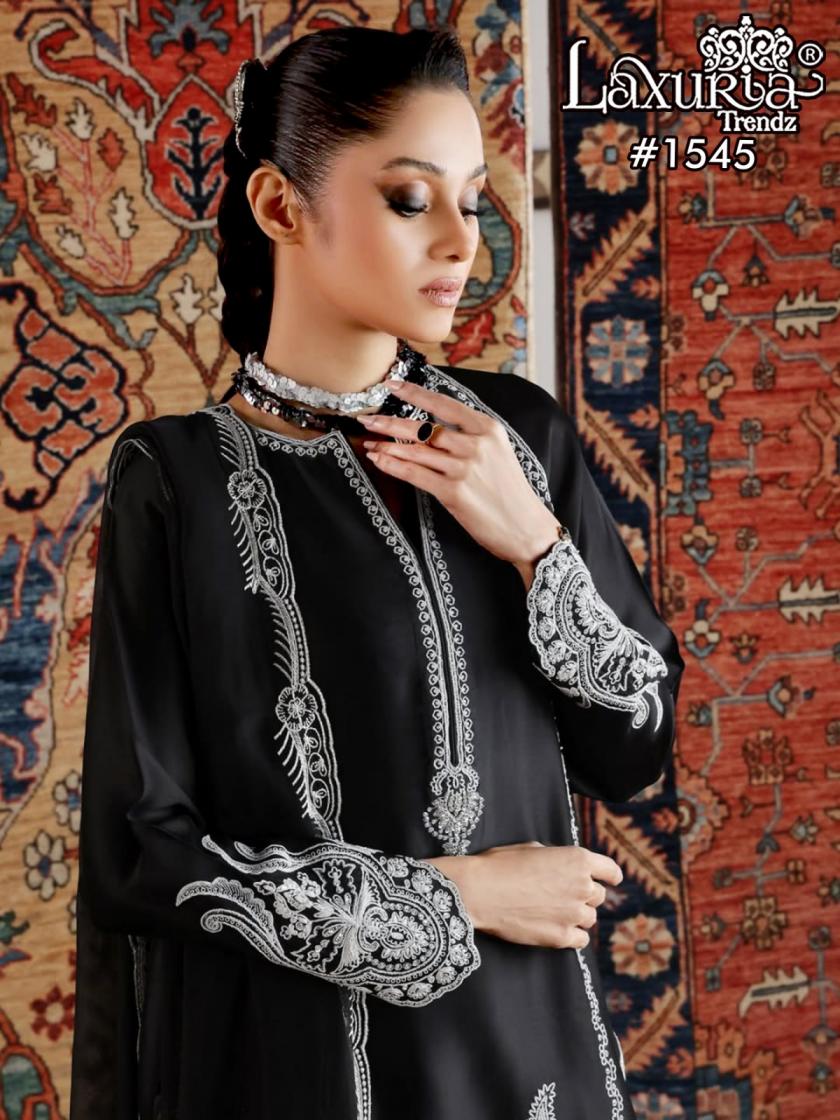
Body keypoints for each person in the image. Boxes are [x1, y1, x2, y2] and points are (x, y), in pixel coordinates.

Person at [68, 24, 685, 1120]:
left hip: (529, 1053)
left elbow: (633, 751)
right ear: (279, 206)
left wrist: (537, 547)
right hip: (299, 1064)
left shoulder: (519, 438)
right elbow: (139, 850)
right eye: (411, 199)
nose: (461, 242)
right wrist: (463, 895)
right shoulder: (176, 480)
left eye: (473, 201)